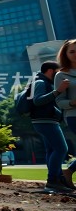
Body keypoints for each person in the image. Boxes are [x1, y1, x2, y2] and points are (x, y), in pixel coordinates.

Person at [31, 60, 72, 193]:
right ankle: (53, 180)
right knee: (61, 148)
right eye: (57, 71)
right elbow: (38, 100)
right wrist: (58, 91)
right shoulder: (40, 82)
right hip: (45, 121)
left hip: (46, 121)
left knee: (51, 150)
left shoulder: (43, 82)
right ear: (50, 71)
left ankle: (57, 179)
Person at [54, 39, 76, 188]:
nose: (75, 54)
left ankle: (69, 171)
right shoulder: (61, 76)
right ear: (65, 54)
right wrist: (72, 103)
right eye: (72, 51)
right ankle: (69, 171)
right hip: (74, 115)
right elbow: (59, 101)